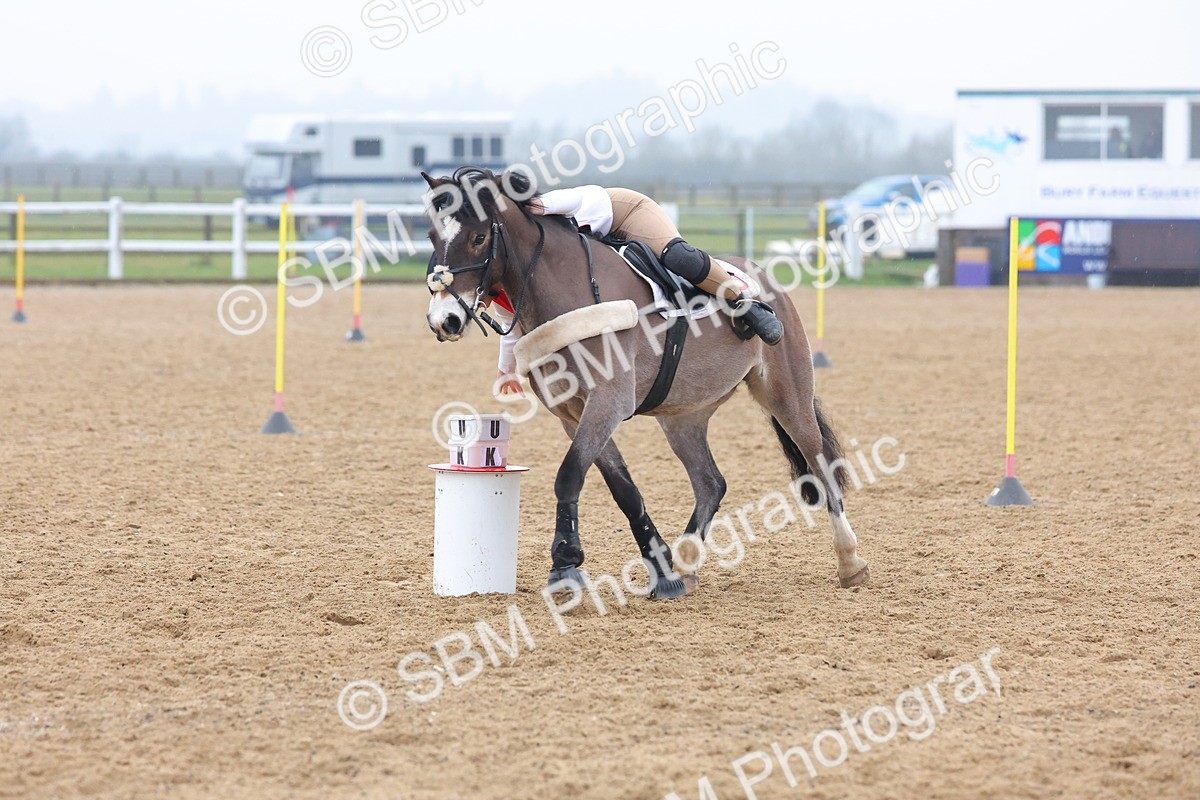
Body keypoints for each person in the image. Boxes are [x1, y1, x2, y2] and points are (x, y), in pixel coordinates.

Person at [492, 185, 783, 395]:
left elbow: (540, 211)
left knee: (677, 256)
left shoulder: (540, 208)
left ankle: (745, 302)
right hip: (601, 242)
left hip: (625, 213)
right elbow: (509, 330)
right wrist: (506, 372)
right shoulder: (506, 290)